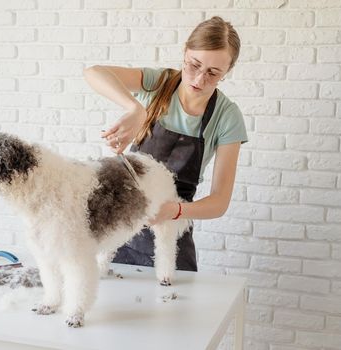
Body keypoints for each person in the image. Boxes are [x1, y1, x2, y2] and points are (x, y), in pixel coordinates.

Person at [83, 16, 248, 272]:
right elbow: (93, 73)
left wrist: (175, 211)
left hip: (172, 229)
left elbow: (219, 202)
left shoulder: (227, 117)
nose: (199, 80)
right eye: (194, 65)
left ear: (227, 72)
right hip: (123, 223)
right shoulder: (158, 83)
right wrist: (134, 109)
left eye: (213, 73)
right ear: (184, 53)